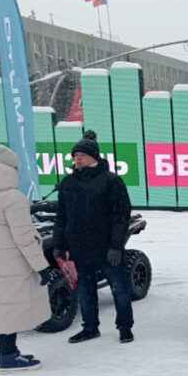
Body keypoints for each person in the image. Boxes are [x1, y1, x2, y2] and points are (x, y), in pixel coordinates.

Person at [0, 143, 53, 371]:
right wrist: (41, 266)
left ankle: (7, 353)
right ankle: (9, 358)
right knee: (11, 309)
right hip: (14, 264)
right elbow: (24, 237)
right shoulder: (13, 197)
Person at [52, 130, 135, 344]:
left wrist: (116, 246)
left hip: (106, 247)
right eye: (75, 154)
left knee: (119, 289)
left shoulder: (111, 181)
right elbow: (61, 216)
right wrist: (59, 243)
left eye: (82, 154)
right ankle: (90, 328)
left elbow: (121, 215)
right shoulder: (68, 183)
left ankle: (125, 328)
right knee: (86, 290)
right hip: (79, 248)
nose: (77, 158)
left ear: (94, 157)